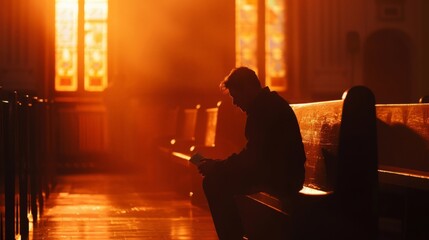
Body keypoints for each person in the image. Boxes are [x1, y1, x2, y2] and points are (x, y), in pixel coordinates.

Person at [198, 67, 306, 239]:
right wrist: (221, 166)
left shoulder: (265, 110)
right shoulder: (265, 105)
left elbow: (252, 160)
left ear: (248, 89)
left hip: (282, 177)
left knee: (214, 183)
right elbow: (253, 156)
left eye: (235, 95)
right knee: (219, 178)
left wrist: (218, 167)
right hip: (278, 171)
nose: (234, 102)